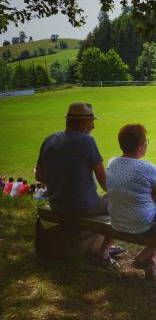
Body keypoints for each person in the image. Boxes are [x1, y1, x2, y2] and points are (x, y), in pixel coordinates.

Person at [35, 102, 116, 266]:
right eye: (91, 122)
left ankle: (93, 243)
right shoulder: (87, 141)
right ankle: (104, 251)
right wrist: (117, 196)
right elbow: (104, 181)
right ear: (82, 123)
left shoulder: (49, 140)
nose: (93, 126)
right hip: (83, 206)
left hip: (57, 204)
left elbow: (40, 176)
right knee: (121, 204)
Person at [106, 124, 156, 281]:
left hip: (117, 221)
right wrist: (146, 198)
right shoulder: (146, 167)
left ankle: (150, 260)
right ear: (141, 146)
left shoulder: (112, 162)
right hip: (140, 226)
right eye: (146, 141)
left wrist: (141, 197)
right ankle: (142, 258)